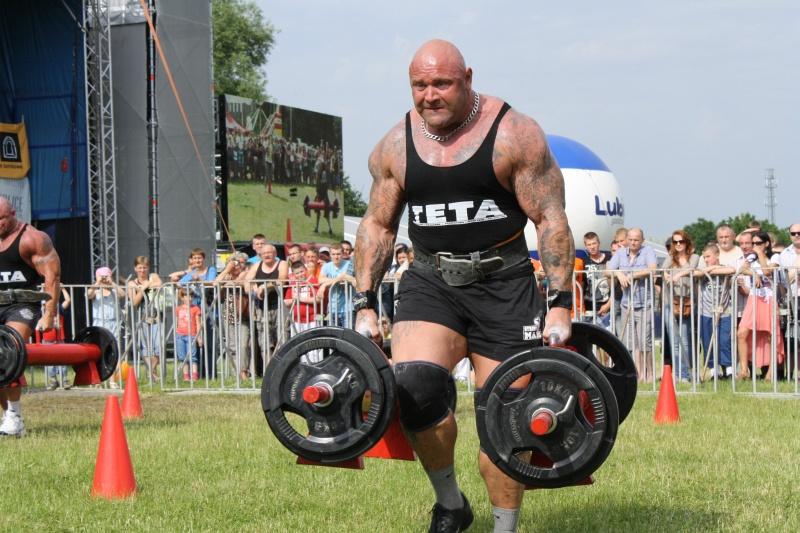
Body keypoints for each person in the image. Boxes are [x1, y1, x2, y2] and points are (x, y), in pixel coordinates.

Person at [353, 40, 574, 533]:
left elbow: (551, 219)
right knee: (414, 389)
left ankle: (504, 526)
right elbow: (378, 226)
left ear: (467, 78)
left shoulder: (514, 134)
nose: (430, 95)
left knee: (506, 418)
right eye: (420, 85)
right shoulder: (395, 146)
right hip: (432, 280)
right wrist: (365, 302)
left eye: (442, 83)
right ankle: (451, 504)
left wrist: (560, 302)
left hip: (506, 283)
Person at [0, 197, 61, 437]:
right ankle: (8, 417)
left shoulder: (33, 238)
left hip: (22, 304)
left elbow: (52, 278)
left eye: (1, 220)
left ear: (13, 214)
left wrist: (49, 314)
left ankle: (14, 415)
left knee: (8, 351)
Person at [608, 228, 657, 382]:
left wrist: (631, 275)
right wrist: (618, 273)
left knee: (645, 341)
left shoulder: (648, 251)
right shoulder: (621, 253)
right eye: (630, 239)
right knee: (629, 341)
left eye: (636, 240)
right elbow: (608, 269)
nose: (633, 242)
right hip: (626, 303)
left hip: (645, 303)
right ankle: (634, 373)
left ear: (642, 240)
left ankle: (648, 374)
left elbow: (652, 268)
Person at [736, 231, 784, 380]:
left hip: (769, 299)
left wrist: (761, 255)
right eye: (753, 243)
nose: (754, 246)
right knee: (742, 333)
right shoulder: (751, 257)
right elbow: (742, 269)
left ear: (766, 244)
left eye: (758, 243)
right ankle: (744, 370)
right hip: (754, 298)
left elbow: (768, 271)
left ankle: (771, 372)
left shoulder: (775, 256)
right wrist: (754, 274)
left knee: (771, 335)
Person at [660, 230, 700, 382]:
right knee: (674, 339)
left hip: (687, 302)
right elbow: (663, 270)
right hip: (670, 302)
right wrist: (666, 275)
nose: (678, 245)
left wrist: (677, 275)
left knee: (684, 339)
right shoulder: (671, 257)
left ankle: (686, 373)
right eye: (675, 242)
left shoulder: (694, 257)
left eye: (681, 241)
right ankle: (677, 374)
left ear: (686, 242)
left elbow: (691, 268)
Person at [694, 244, 735, 379]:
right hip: (706, 311)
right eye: (704, 257)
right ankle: (714, 371)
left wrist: (715, 269)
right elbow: (698, 273)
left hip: (724, 311)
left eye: (708, 257)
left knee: (724, 341)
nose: (705, 260)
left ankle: (728, 370)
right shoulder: (704, 270)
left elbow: (732, 270)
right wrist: (712, 268)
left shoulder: (724, 266)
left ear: (717, 255)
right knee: (708, 342)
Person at [87, 266, 125, 388]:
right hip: (99, 324)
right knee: (98, 352)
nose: (104, 280)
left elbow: (122, 294)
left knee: (112, 352)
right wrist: (97, 283)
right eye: (102, 276)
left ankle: (112, 380)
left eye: (106, 276)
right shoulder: (96, 292)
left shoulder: (114, 292)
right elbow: (88, 295)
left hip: (113, 323)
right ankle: (98, 379)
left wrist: (112, 283)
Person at [127, 256, 164, 381]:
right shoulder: (132, 283)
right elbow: (134, 302)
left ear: (148, 268)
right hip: (142, 318)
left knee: (158, 346)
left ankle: (152, 370)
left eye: (144, 267)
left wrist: (146, 284)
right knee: (147, 348)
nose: (142, 270)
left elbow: (159, 284)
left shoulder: (153, 276)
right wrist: (143, 288)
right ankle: (152, 374)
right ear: (135, 268)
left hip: (157, 316)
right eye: (140, 267)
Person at [216, 252, 250, 380]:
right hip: (228, 313)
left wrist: (233, 283)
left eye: (240, 263)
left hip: (243, 313)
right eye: (235, 263)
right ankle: (235, 371)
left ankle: (243, 371)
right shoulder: (227, 275)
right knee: (232, 345)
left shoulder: (246, 273)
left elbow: (243, 282)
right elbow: (216, 284)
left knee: (243, 344)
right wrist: (226, 271)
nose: (238, 265)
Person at [319, 243, 355, 328]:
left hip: (348, 308)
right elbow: (320, 280)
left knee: (348, 337)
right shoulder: (326, 266)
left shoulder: (349, 265)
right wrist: (340, 278)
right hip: (332, 308)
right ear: (330, 255)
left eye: (338, 254)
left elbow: (352, 279)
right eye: (333, 254)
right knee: (333, 336)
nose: (336, 257)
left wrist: (325, 285)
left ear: (342, 254)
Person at [44, 288, 72, 390]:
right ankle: (53, 380)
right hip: (48, 338)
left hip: (60, 337)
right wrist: (44, 289)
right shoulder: (43, 309)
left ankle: (64, 380)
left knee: (62, 359)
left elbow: (68, 300)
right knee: (50, 360)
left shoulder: (59, 308)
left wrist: (63, 289)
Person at [581, 231, 611, 327]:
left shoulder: (610, 259)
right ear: (585, 246)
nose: (592, 247)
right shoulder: (583, 262)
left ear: (599, 243)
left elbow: (617, 287)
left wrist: (608, 305)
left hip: (607, 304)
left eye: (594, 243)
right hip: (589, 305)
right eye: (589, 244)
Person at [174, 287, 202, 381]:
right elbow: (177, 322)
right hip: (180, 335)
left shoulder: (195, 308)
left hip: (192, 335)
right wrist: (176, 334)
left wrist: (199, 337)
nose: (189, 298)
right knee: (182, 357)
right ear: (182, 297)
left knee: (193, 356)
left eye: (191, 296)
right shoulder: (178, 309)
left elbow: (198, 323)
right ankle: (186, 376)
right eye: (186, 296)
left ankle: (194, 375)